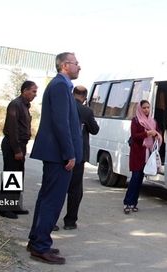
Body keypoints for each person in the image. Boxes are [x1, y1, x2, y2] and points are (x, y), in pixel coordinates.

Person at [27, 52, 82, 265]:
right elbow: (61, 123)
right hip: (59, 156)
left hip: (56, 154)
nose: (80, 67)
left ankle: (36, 241)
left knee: (46, 199)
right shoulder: (60, 86)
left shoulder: (61, 85)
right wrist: (69, 153)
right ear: (65, 65)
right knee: (52, 201)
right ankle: (41, 246)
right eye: (76, 63)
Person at [0, 80, 38, 219]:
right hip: (13, 145)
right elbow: (12, 129)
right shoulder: (15, 104)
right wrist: (17, 150)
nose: (35, 94)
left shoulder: (25, 106)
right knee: (11, 175)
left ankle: (13, 205)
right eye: (33, 91)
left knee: (18, 176)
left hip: (21, 145)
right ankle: (3, 208)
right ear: (24, 90)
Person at [62, 85, 100, 230]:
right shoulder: (86, 111)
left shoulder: (65, 107)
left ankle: (51, 222)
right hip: (78, 155)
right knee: (75, 189)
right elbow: (95, 130)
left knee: (58, 188)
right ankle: (70, 221)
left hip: (62, 153)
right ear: (85, 96)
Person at [123, 100, 161, 214]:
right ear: (140, 109)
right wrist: (148, 133)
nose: (146, 110)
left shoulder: (152, 121)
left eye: (148, 107)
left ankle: (134, 203)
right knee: (134, 178)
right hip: (137, 153)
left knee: (140, 180)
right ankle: (127, 203)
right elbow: (135, 136)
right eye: (144, 108)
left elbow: (158, 132)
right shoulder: (136, 121)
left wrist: (157, 135)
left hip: (147, 153)